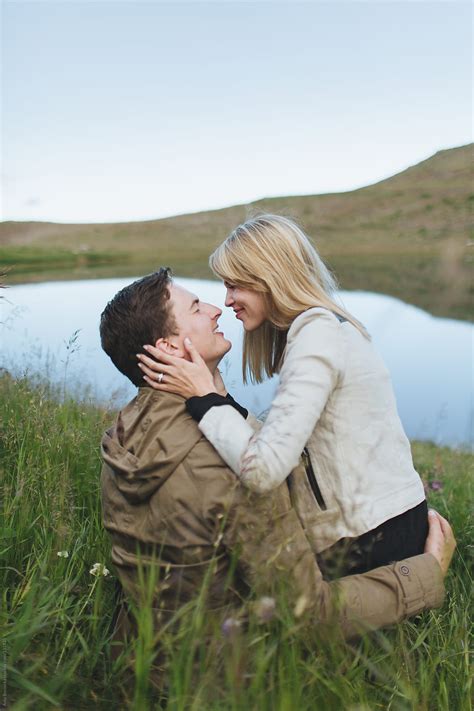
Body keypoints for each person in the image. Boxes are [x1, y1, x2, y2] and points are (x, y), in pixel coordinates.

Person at [99, 269, 454, 663]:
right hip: (231, 681)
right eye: (197, 308)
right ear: (168, 348)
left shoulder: (123, 435)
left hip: (145, 661)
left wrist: (212, 397)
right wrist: (427, 573)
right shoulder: (230, 467)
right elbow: (310, 615)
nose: (218, 309)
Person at [137, 215, 431, 577]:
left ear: (267, 278)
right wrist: (217, 394)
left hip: (371, 535)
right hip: (379, 524)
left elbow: (263, 471)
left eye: (234, 286)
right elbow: (287, 446)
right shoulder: (321, 329)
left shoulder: (317, 333)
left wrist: (203, 399)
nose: (226, 301)